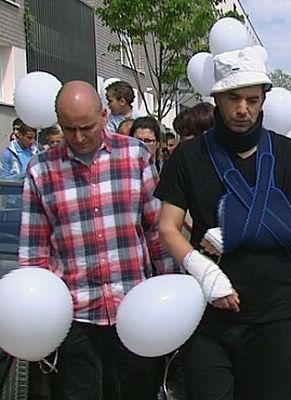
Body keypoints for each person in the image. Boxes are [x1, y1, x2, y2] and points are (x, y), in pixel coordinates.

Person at [155, 46, 291, 400]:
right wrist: (208, 276)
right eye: (234, 99)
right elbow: (168, 227)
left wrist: (233, 233)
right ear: (217, 99)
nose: (243, 109)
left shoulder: (285, 152)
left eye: (252, 100)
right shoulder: (188, 156)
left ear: (263, 100)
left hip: (274, 313)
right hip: (208, 314)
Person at [18, 81, 176, 400]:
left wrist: (168, 290)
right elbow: (34, 253)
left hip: (134, 306)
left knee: (138, 392)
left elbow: (156, 231)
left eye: (86, 127)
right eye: (69, 128)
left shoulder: (135, 156)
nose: (78, 137)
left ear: (104, 115)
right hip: (74, 312)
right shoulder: (41, 169)